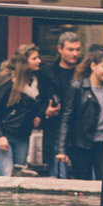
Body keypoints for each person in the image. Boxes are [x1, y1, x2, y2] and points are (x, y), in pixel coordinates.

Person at [0, 43, 45, 176]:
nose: (39, 61)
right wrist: (0, 136)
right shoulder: (8, 81)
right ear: (25, 62)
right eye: (34, 58)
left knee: (20, 175)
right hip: (4, 133)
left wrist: (38, 117)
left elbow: (35, 107)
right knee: (7, 175)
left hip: (23, 135)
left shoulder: (36, 81)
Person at [56, 48, 103, 180]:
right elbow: (67, 118)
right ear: (93, 66)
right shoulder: (78, 87)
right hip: (81, 144)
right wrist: (61, 150)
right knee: (83, 181)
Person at [40, 29, 82, 174]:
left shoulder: (84, 72)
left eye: (77, 49)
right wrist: (45, 111)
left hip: (81, 130)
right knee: (58, 173)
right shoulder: (47, 72)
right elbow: (38, 100)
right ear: (60, 49)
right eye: (70, 49)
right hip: (55, 127)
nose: (75, 54)